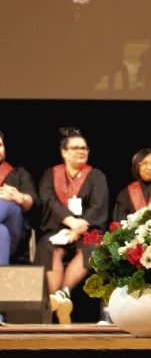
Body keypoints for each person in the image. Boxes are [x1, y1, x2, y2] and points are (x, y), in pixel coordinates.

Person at [35, 127, 108, 324]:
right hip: (57, 229)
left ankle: (61, 294)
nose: (81, 151)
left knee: (92, 248)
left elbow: (98, 206)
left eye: (84, 148)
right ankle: (56, 300)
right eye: (76, 148)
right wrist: (70, 222)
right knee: (48, 247)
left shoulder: (96, 176)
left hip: (88, 230)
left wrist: (80, 227)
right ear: (64, 152)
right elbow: (48, 200)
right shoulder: (51, 174)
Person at [0, 130, 38, 266]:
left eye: (0, 145)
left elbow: (32, 201)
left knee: (9, 203)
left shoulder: (19, 173)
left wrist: (19, 197)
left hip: (15, 235)